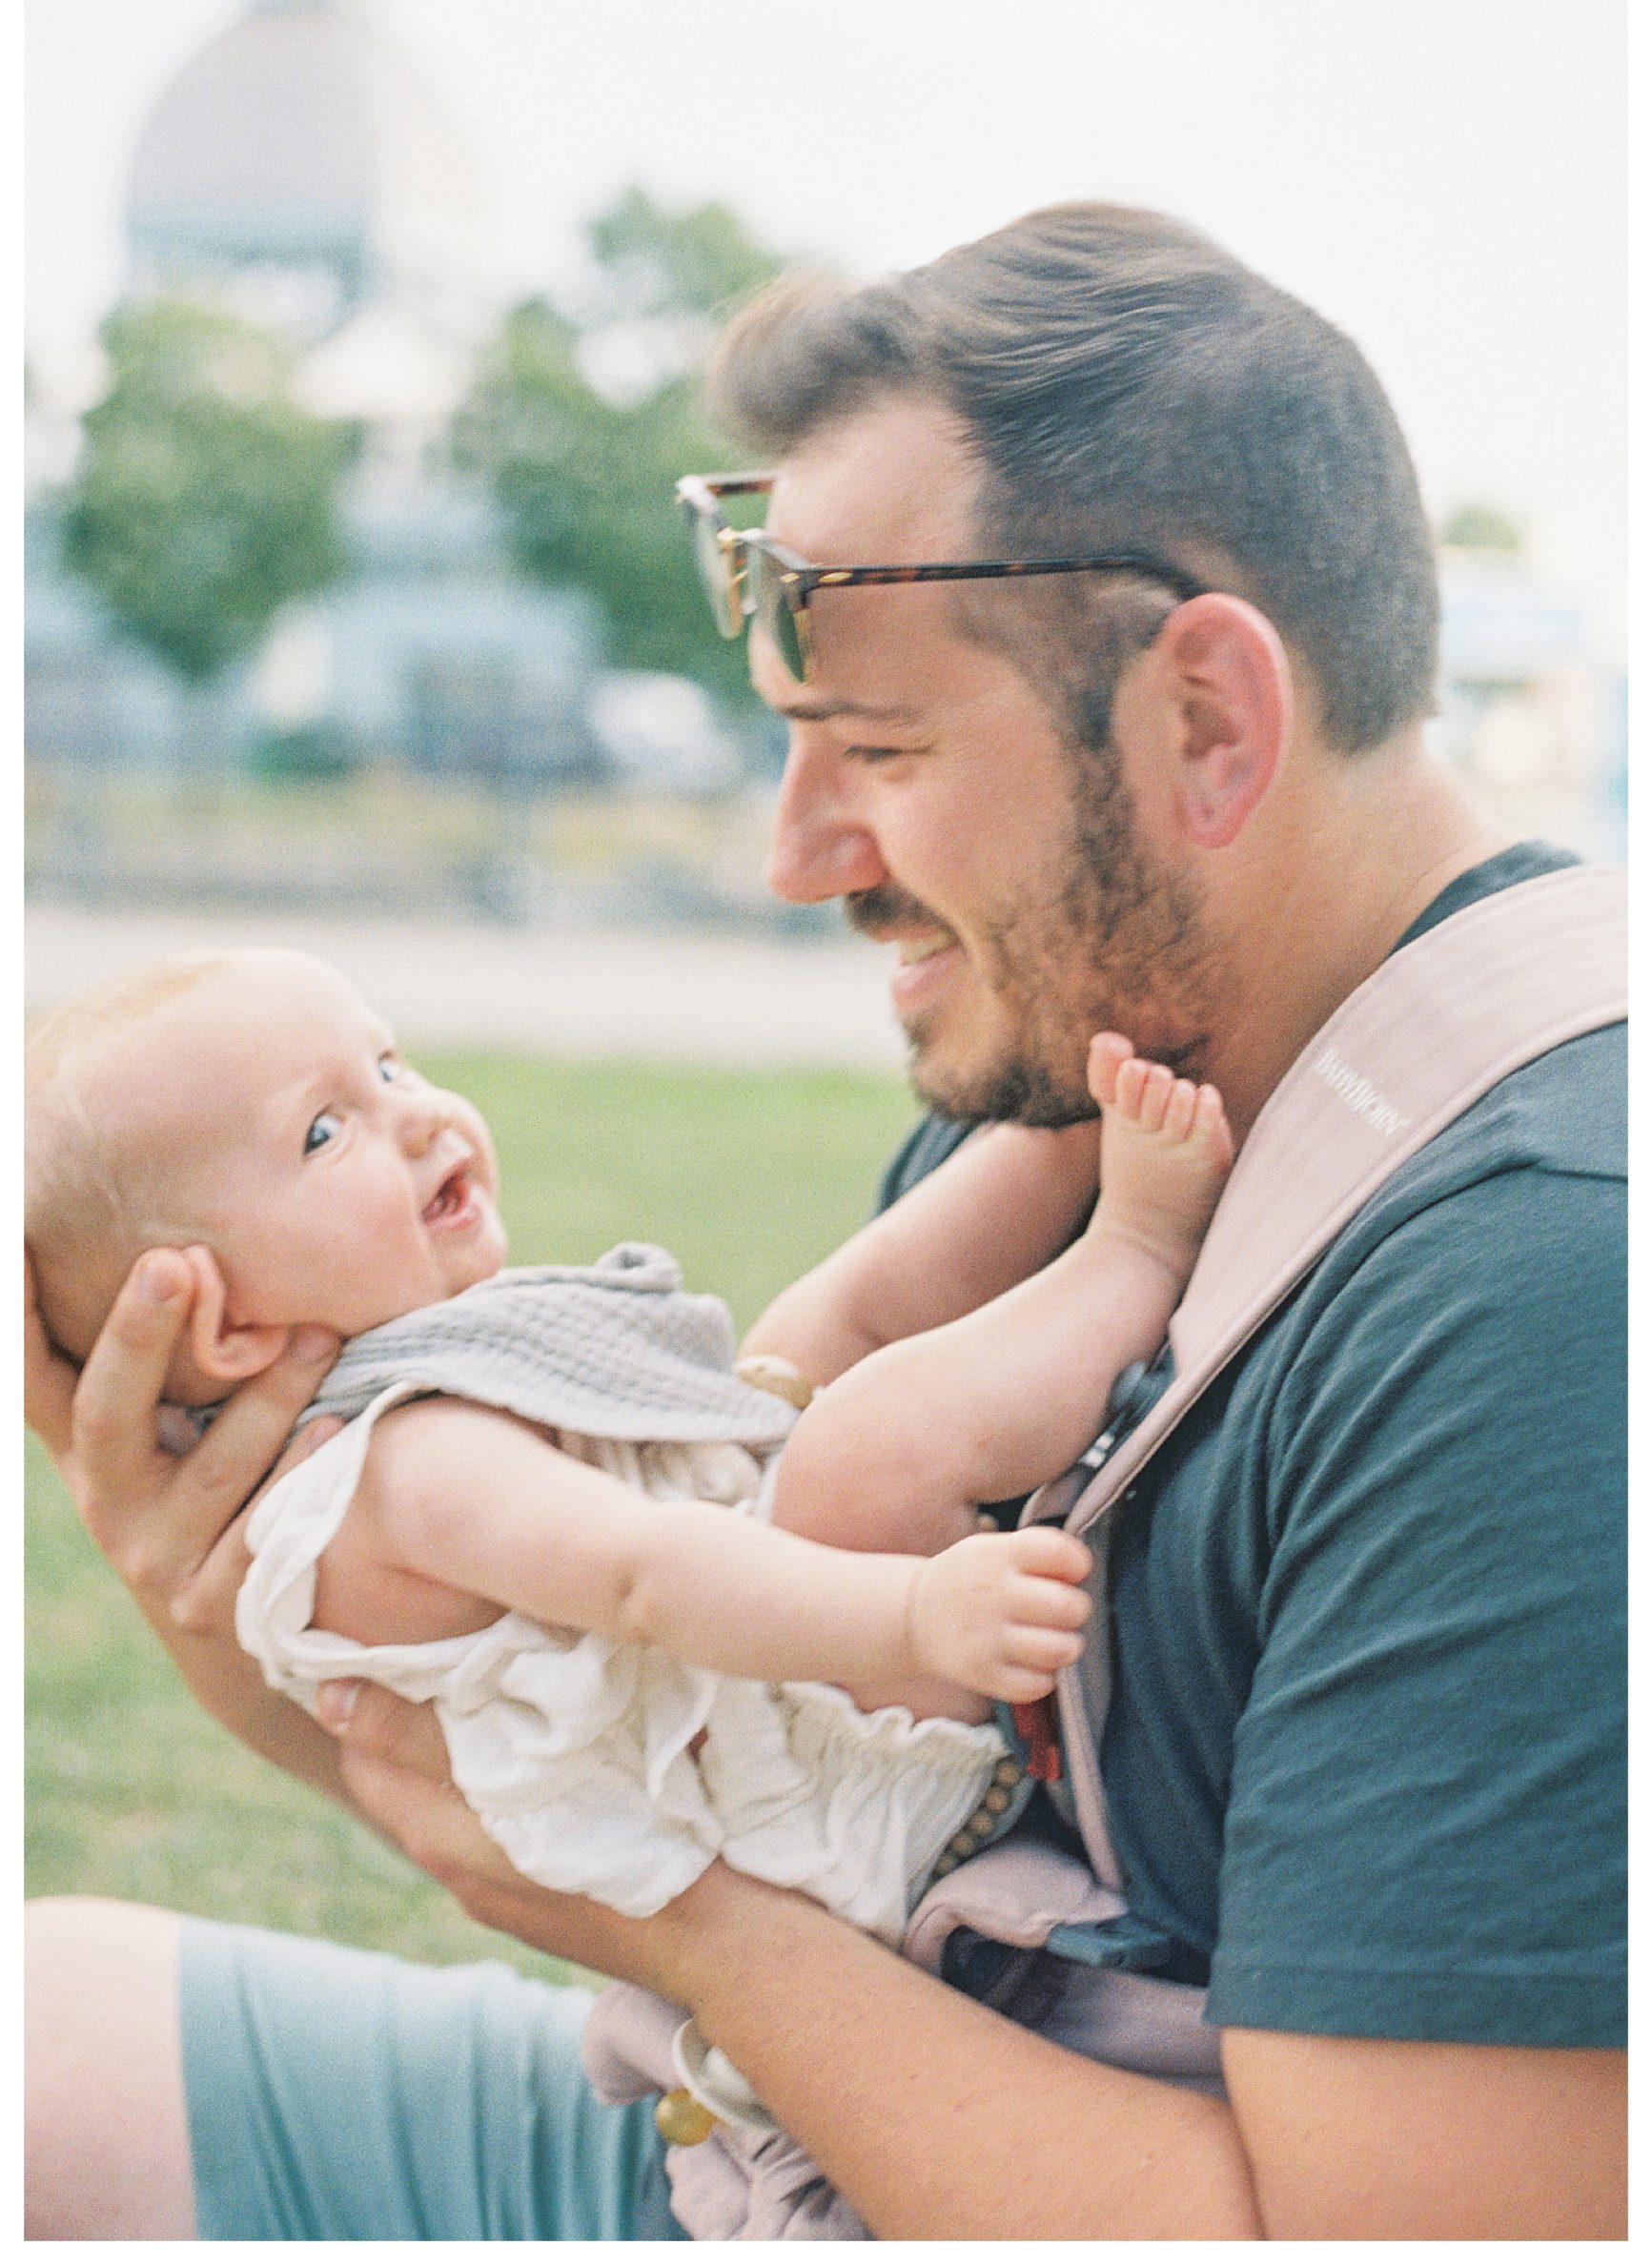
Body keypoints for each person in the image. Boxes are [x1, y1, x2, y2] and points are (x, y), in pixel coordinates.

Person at [26, 201, 1624, 2239]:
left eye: (872, 747)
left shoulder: (1547, 1300)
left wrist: (694, 1927)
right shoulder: (1074, 1086)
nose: (790, 859)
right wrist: (258, 1597)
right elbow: (612, 1717)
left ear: (1204, 721)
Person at [26, 945, 1231, 1973]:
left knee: (809, 1340)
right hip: (807, 1798)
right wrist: (915, 1609)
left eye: (389, 1067)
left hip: (769, 1677)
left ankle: (1063, 1131)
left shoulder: (416, 1391)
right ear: (224, 1324)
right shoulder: (398, 1467)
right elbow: (643, 1575)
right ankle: (1132, 1241)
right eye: (325, 1130)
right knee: (865, 1447)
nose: (421, 1115)